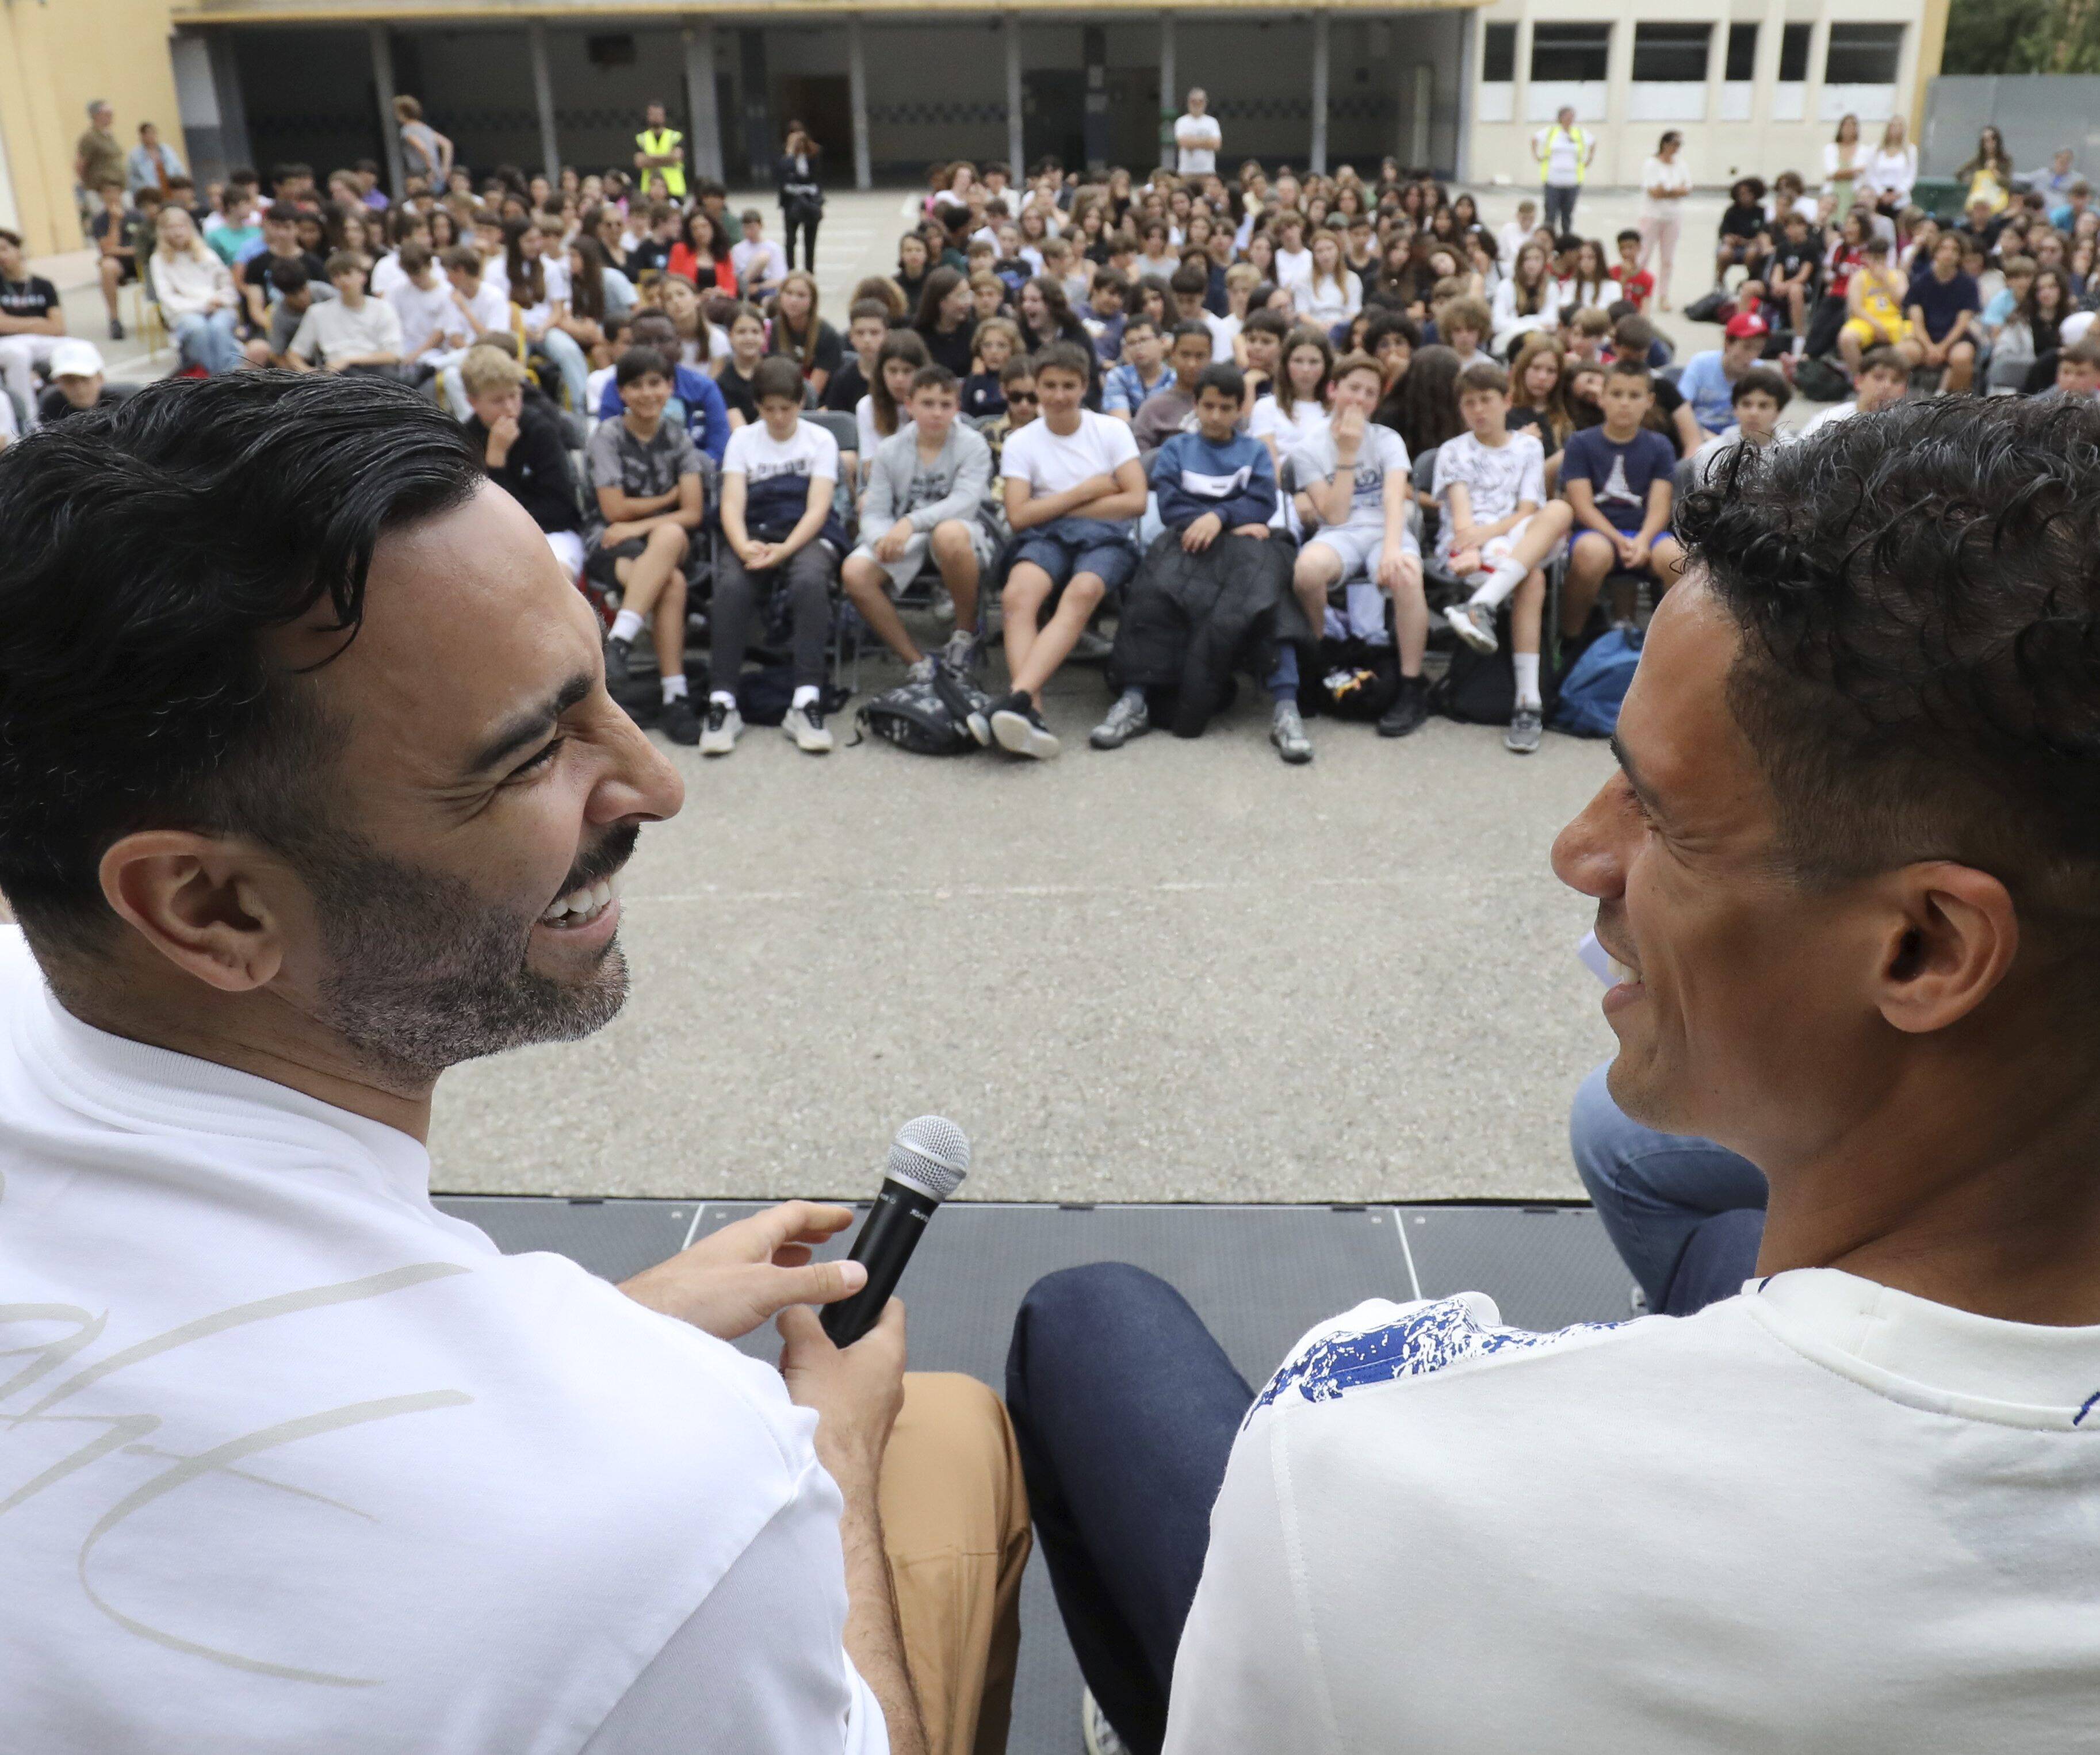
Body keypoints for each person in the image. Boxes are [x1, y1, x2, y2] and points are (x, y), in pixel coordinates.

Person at [1015, 390, 2100, 1755]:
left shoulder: (1363, 1459)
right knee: (1691, 1216)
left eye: (1655, 810)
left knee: (1085, 1317)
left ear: (1926, 947)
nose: (1577, 855)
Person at [0, 370, 1030, 1755]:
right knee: (952, 1433)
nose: (654, 785)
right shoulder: (681, 1493)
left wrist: (599, 1335)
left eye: (600, 689)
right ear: (208, 908)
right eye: (530, 753)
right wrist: (815, 1447)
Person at [1093, 361, 1306, 759]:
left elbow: (1262, 502)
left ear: (1239, 410)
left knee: (1271, 601)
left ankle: (1286, 707)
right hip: (1187, 542)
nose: (1215, 416)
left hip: (1244, 548)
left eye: (1226, 408)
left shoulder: (1254, 451)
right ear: (1196, 403)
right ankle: (1134, 700)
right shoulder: (1177, 448)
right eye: (1208, 406)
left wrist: (1218, 517)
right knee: (1152, 596)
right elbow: (1172, 504)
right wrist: (1223, 519)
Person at [980, 340, 1147, 759]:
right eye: (1049, 386)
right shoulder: (1023, 441)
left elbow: (1136, 501)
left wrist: (1055, 504)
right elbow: (1019, 516)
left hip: (1104, 535)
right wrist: (1086, 490)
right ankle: (1030, 711)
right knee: (1017, 595)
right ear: (1036, 387)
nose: (1058, 395)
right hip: (1044, 535)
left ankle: (1017, 700)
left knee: (1083, 591)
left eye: (1068, 386)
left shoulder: (1110, 430)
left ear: (1084, 387)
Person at [1432, 360, 1575, 754]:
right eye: (1469, 403)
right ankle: (1528, 702)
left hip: (1514, 537)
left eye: (1486, 400)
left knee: (1560, 511)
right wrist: (1474, 543)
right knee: (1532, 578)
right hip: (1472, 546)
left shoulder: (1528, 446)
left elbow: (1529, 509)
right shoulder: (1454, 451)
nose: (1478, 410)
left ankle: (1480, 604)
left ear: (1506, 401)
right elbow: (1463, 523)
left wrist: (1495, 532)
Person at [711, 354, 846, 756]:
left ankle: (806, 699)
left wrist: (786, 549)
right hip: (754, 533)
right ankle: (722, 701)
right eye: (769, 409)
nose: (778, 417)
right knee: (731, 584)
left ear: (800, 404)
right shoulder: (743, 440)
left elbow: (819, 507)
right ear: (757, 406)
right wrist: (742, 545)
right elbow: (732, 504)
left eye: (786, 408)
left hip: (804, 534)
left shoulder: (820, 441)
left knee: (808, 580)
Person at [1289, 350, 1428, 738]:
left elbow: (1393, 500)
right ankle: (1317, 657)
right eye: (1353, 389)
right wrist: (1348, 454)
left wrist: (1390, 551)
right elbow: (1332, 516)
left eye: (1370, 393)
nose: (1360, 399)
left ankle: (1411, 684)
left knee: (1405, 572)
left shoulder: (1387, 439)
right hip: (1340, 533)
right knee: (1306, 571)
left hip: (1386, 528)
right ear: (1333, 389)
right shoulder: (1308, 449)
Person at [582, 346, 705, 745]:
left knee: (670, 535)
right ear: (621, 392)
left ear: (670, 387)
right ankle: (675, 696)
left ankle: (619, 641)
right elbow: (612, 508)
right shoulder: (608, 436)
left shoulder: (678, 437)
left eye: (656, 383)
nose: (647, 393)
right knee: (672, 585)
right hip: (612, 543)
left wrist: (645, 522)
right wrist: (668, 499)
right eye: (636, 385)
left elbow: (693, 512)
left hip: (653, 537)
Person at [839, 363, 992, 681]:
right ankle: (916, 662)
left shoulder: (974, 445)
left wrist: (910, 522)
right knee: (854, 573)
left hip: (962, 529)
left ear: (957, 408)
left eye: (945, 405)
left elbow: (965, 502)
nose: (937, 413)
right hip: (902, 531)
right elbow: (875, 510)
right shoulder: (889, 449)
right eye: (927, 404)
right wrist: (881, 539)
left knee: (947, 534)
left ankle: (965, 634)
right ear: (909, 406)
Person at [1559, 359, 1683, 638]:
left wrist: (1641, 540)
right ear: (1601, 398)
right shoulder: (1580, 443)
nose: (1625, 403)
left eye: (1634, 395)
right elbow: (1581, 505)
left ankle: (1671, 643)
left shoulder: (1660, 445)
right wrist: (1618, 539)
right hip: (1596, 533)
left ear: (1649, 401)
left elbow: (1660, 505)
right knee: (1593, 554)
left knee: (1677, 558)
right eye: (1616, 394)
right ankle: (1569, 639)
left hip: (1646, 535)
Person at [461, 342, 588, 584]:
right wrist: (495, 464)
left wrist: (498, 469)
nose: (510, 408)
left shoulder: (540, 429)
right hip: (492, 540)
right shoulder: (467, 437)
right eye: (497, 400)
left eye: (514, 396)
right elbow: (477, 513)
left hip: (552, 532)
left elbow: (560, 507)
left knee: (552, 579)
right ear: (473, 402)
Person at [149, 205, 243, 376]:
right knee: (197, 328)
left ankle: (230, 375)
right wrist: (203, 306)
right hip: (185, 312)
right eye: (171, 228)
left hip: (217, 306)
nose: (178, 232)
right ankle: (208, 376)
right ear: (163, 232)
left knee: (219, 327)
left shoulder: (207, 254)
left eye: (181, 226)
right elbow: (167, 297)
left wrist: (221, 299)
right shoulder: (159, 260)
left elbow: (226, 285)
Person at [286, 251, 405, 377]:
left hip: (376, 372)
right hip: (337, 376)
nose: (343, 280)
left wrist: (349, 360)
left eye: (347, 274)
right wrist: (313, 375)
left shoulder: (383, 308)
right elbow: (294, 354)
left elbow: (394, 355)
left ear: (363, 276)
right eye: (337, 276)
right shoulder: (318, 313)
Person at [0, 228, 67, 425]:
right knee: (18, 355)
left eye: (4, 249)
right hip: (8, 344)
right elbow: (2, 324)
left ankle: (76, 409)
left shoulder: (43, 285)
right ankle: (30, 421)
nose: (1, 256)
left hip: (42, 341)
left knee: (77, 348)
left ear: (19, 250)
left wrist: (17, 324)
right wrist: (38, 322)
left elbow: (58, 327)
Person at [1906, 231, 1981, 395]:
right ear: (1936, 252)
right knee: (1901, 354)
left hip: (1956, 338)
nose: (1949, 254)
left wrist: (1942, 348)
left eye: (1955, 250)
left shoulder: (1968, 285)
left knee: (1962, 357)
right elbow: (1916, 320)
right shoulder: (1920, 281)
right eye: (1944, 248)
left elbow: (1963, 322)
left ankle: (1960, 403)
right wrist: (1929, 347)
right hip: (1925, 337)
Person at [1676, 312, 1770, 436]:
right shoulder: (1701, 364)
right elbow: (1681, 408)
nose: (1752, 356)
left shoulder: (1759, 372)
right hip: (1699, 434)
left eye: (1758, 349)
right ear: (1728, 344)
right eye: (1747, 347)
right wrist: (1704, 437)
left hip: (1739, 440)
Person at [1836, 235, 1918, 375]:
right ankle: (1859, 378)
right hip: (1866, 320)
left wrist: (1885, 281)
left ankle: (1894, 379)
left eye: (1881, 258)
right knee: (1846, 338)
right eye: (1874, 258)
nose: (1877, 262)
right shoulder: (1859, 277)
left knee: (1912, 347)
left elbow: (1903, 303)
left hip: (1894, 320)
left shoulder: (1898, 276)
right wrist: (1875, 324)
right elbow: (1856, 308)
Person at [1689, 365, 1789, 478]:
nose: (1754, 413)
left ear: (1778, 412)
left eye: (1764, 406)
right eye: (1746, 404)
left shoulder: (1792, 455)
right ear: (1735, 409)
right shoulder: (1710, 452)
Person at [1131, 323, 1214, 459]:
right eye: (1185, 355)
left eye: (1200, 356)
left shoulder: (1223, 404)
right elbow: (1141, 463)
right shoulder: (1153, 408)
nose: (1192, 364)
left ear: (1210, 358)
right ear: (1173, 355)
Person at [1803, 343, 1911, 434]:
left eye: (1896, 381)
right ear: (1859, 381)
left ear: (1905, 390)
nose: (1887, 386)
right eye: (1878, 377)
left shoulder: (1908, 430)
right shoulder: (1829, 421)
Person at [1636, 131, 1689, 309]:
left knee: (1668, 259)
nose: (1676, 149)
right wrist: (1674, 191)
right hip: (1652, 216)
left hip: (1672, 217)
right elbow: (1654, 192)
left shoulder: (1681, 165)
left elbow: (1687, 188)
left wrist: (1668, 191)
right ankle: (1638, 291)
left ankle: (1663, 296)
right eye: (1674, 144)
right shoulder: (1652, 164)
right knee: (1643, 256)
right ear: (1665, 144)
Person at [33, 338, 131, 426]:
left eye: (85, 379)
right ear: (57, 382)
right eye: (69, 381)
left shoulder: (121, 407)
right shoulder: (51, 408)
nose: (79, 388)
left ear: (100, 378)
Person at [1533, 105, 1594, 236]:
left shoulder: (1579, 133)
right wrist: (1537, 156)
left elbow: (1593, 142)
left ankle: (1566, 238)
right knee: (1551, 214)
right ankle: (1548, 237)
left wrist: (1589, 159)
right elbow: (1535, 139)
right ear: (1561, 118)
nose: (1570, 119)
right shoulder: (1551, 132)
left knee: (1567, 214)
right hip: (1553, 180)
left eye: (1572, 117)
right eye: (1568, 116)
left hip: (1571, 181)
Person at [777, 125, 824, 273]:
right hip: (791, 204)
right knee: (790, 240)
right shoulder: (785, 156)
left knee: (810, 240)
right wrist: (790, 153)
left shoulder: (814, 154)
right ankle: (790, 270)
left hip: (810, 202)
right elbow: (783, 177)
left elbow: (817, 179)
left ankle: (809, 270)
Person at [74, 101, 124, 221]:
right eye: (107, 114)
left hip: (118, 188)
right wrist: (89, 186)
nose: (111, 117)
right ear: (97, 116)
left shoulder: (109, 136)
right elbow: (81, 164)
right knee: (105, 221)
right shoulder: (90, 138)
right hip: (101, 191)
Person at [393, 95, 453, 190]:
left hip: (422, 175)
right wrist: (446, 168)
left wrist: (429, 171)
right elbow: (447, 144)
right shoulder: (425, 128)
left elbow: (422, 149)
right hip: (438, 174)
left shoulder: (407, 130)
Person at [633, 101, 687, 201]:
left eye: (658, 114)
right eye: (653, 114)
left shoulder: (675, 136)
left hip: (674, 189)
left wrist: (649, 159)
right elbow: (639, 162)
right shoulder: (641, 138)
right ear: (648, 116)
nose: (656, 117)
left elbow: (676, 157)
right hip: (649, 190)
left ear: (664, 116)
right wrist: (667, 158)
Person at [732, 209, 790, 302]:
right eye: (745, 228)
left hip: (765, 284)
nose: (748, 232)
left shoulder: (773, 248)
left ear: (760, 226)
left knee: (763, 257)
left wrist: (758, 287)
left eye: (752, 228)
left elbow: (780, 279)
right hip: (743, 281)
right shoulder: (737, 249)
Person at [1173, 90, 1222, 180]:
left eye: (1200, 101)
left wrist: (1192, 141)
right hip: (1186, 172)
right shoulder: (1181, 122)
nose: (1197, 104)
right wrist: (1206, 141)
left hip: (1207, 171)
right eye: (1193, 101)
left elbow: (1216, 144)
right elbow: (1182, 142)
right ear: (1188, 103)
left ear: (1205, 103)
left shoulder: (1212, 122)